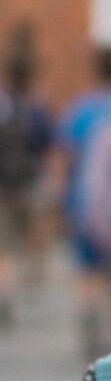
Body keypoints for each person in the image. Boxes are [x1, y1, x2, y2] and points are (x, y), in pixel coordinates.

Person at [54, 46, 111, 361]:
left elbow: (65, 153)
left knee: (88, 268)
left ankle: (89, 317)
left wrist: (61, 194)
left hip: (86, 202)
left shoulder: (82, 108)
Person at [0, 39, 54, 325]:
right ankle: (32, 278)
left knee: (5, 243)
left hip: (3, 184)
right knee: (34, 235)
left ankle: (6, 290)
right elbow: (47, 143)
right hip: (31, 180)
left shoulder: (3, 105)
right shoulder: (37, 106)